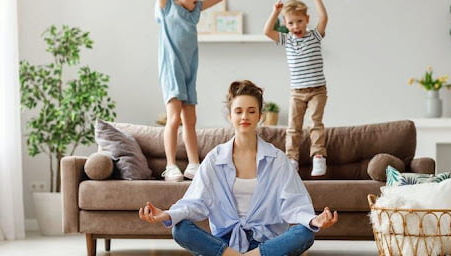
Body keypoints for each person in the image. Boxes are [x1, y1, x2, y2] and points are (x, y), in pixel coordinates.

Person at [139, 80, 338, 256]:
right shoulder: (215, 159)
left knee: (305, 233)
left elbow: (294, 204)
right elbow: (196, 202)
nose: (245, 116)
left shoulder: (277, 159)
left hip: (266, 244)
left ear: (260, 115)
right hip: (225, 244)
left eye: (252, 111)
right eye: (239, 111)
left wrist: (314, 220)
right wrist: (168, 215)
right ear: (230, 116)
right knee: (180, 229)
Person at [155, 0, 223, 181]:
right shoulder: (167, 6)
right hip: (171, 68)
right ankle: (170, 165)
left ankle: (193, 164)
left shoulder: (196, 7)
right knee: (174, 118)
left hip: (189, 70)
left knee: (190, 119)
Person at [263, 0, 329, 176]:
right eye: (290, 22)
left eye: (299, 21)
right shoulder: (287, 40)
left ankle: (318, 156)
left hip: (317, 90)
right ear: (285, 23)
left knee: (315, 123)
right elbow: (267, 31)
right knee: (293, 126)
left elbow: (324, 17)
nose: (295, 26)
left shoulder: (315, 36)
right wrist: (275, 12)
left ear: (307, 19)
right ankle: (292, 159)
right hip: (297, 92)